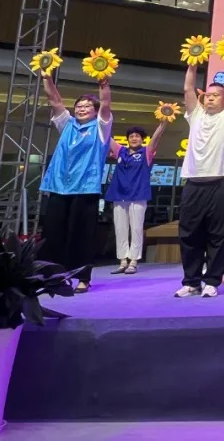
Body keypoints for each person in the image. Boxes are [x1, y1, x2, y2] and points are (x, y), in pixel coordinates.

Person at [39, 74, 113, 293]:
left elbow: (106, 104)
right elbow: (54, 100)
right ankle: (54, 277)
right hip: (58, 187)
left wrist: (103, 84)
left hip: (85, 190)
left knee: (81, 236)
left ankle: (82, 277)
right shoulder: (67, 124)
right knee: (53, 235)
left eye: (87, 106)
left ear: (95, 111)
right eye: (79, 106)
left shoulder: (101, 128)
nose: (82, 109)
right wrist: (46, 77)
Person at [175, 62, 224, 298]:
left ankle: (212, 280)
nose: (210, 98)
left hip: (220, 184)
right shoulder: (196, 115)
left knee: (218, 235)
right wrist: (193, 64)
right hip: (193, 183)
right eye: (208, 95)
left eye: (216, 95)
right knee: (189, 234)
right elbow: (188, 88)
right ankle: (191, 282)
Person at [106, 120, 166, 275]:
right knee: (120, 229)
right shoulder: (120, 151)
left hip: (138, 195)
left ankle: (133, 261)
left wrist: (163, 123)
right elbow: (106, 135)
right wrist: (99, 120)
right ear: (127, 139)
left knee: (136, 229)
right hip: (119, 195)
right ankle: (122, 261)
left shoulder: (146, 152)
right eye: (131, 136)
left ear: (142, 139)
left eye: (137, 136)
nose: (134, 138)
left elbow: (156, 137)